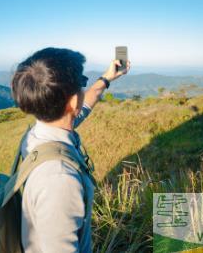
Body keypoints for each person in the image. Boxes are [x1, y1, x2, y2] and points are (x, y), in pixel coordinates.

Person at [10, 47, 130, 253]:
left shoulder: (37, 135)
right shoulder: (59, 178)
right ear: (72, 101)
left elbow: (80, 110)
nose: (84, 88)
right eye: (81, 82)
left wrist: (106, 78)